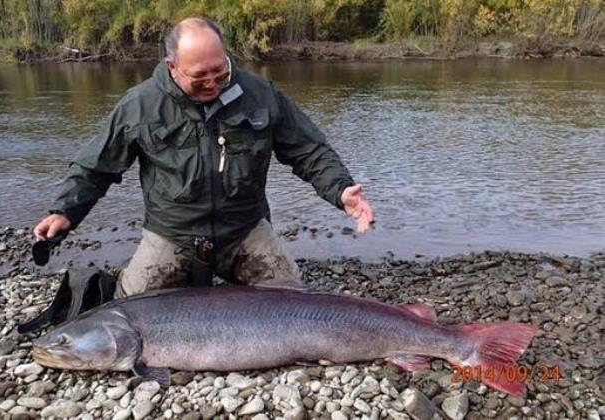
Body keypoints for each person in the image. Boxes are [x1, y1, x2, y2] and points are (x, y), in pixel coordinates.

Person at [33, 17, 374, 298]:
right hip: (173, 234)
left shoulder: (260, 94)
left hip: (245, 230)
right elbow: (96, 167)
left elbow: (308, 149)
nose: (212, 83)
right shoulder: (140, 105)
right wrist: (65, 211)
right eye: (199, 76)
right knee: (129, 310)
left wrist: (340, 190)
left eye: (220, 71)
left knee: (294, 304)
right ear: (172, 67)